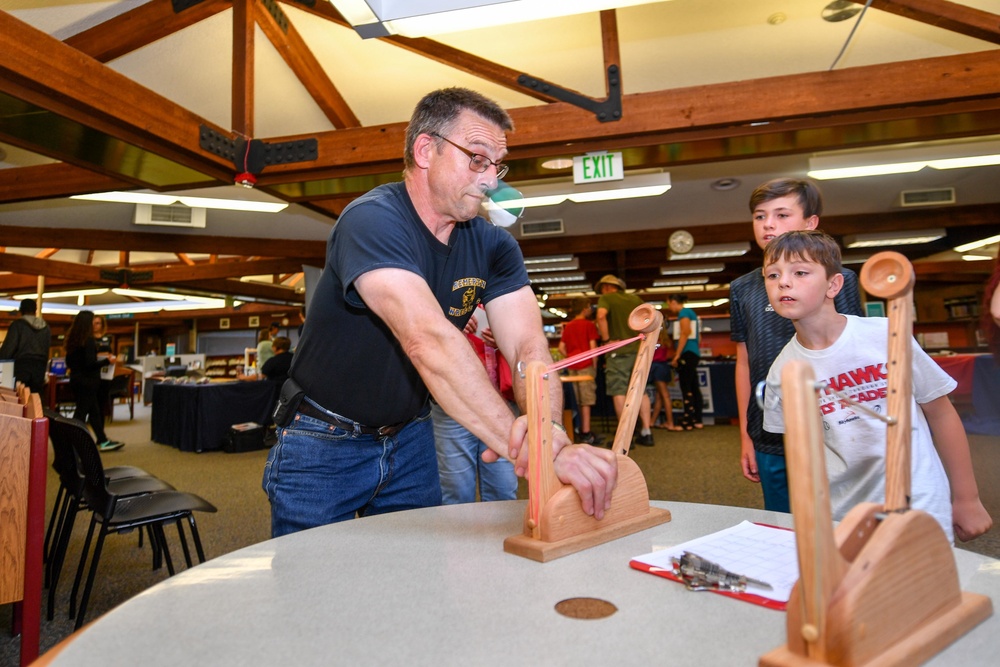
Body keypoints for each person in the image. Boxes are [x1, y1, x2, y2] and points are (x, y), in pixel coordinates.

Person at [263, 87, 617, 537]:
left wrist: (544, 429)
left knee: (414, 582)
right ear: (426, 149)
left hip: (409, 436)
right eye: (477, 158)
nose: (491, 179)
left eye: (497, 165)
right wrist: (533, 450)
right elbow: (428, 340)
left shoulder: (494, 245)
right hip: (322, 438)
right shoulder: (372, 220)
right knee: (310, 587)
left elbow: (527, 346)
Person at [761, 230, 991, 543]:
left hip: (920, 502)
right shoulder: (782, 372)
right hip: (845, 515)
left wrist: (967, 498)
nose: (782, 283)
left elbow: (941, 413)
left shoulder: (885, 335)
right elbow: (802, 459)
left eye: (800, 272)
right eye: (772, 275)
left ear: (833, 284)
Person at [729, 178, 864, 513]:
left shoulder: (840, 280)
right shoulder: (742, 289)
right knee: (784, 527)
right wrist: (747, 436)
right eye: (760, 216)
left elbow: (854, 355)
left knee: (841, 520)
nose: (769, 224)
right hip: (770, 436)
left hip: (834, 429)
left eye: (782, 214)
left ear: (810, 223)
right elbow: (743, 362)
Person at [431, 309, 517, 504]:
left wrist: (503, 338)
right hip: (453, 404)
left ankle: (501, 534)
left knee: (503, 489)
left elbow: (526, 339)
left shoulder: (502, 291)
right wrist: (449, 322)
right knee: (456, 490)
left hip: (500, 405)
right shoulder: (440, 288)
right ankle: (459, 535)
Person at [595, 274, 654, 447]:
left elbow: (600, 316)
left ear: (606, 287)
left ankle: (625, 437)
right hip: (639, 351)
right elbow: (649, 317)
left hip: (618, 352)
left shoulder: (606, 298)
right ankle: (646, 431)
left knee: (618, 391)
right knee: (641, 390)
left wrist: (606, 340)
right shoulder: (635, 298)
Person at [65, 310, 123, 451]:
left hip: (76, 379)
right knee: (81, 413)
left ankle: (102, 440)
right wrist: (107, 361)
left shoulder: (72, 339)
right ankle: (70, 442)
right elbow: (90, 364)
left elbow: (69, 361)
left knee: (94, 412)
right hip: (88, 382)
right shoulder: (88, 340)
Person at [558, 296, 602, 445]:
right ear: (584, 309)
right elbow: (593, 347)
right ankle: (586, 432)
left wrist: (571, 357)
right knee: (586, 401)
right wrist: (594, 365)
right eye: (589, 307)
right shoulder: (588, 325)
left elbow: (561, 348)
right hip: (586, 366)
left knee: (576, 400)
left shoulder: (569, 326)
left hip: (572, 367)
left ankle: (577, 430)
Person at [666, 294, 702, 430]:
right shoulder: (692, 313)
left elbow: (685, 332)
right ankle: (697, 419)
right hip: (694, 352)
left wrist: (677, 354)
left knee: (686, 386)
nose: (669, 307)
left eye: (668, 303)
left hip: (687, 353)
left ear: (674, 301)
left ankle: (687, 420)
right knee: (693, 386)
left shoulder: (684, 313)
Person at [0, 298, 51, 394]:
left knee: (20, 401)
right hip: (39, 370)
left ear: (21, 310)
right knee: (34, 400)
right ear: (35, 310)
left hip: (21, 369)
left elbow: (8, 350)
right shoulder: (46, 327)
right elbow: (47, 349)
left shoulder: (17, 326)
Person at [650, 327, 679, 431]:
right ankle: (652, 421)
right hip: (664, 366)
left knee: (664, 396)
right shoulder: (665, 340)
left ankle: (670, 423)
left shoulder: (652, 340)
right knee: (660, 396)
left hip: (656, 367)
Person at [92, 314, 114, 419]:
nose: (95, 326)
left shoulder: (107, 339)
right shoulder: (89, 340)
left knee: (102, 402)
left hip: (106, 373)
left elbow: (110, 353)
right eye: (93, 323)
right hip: (94, 372)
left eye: (98, 323)